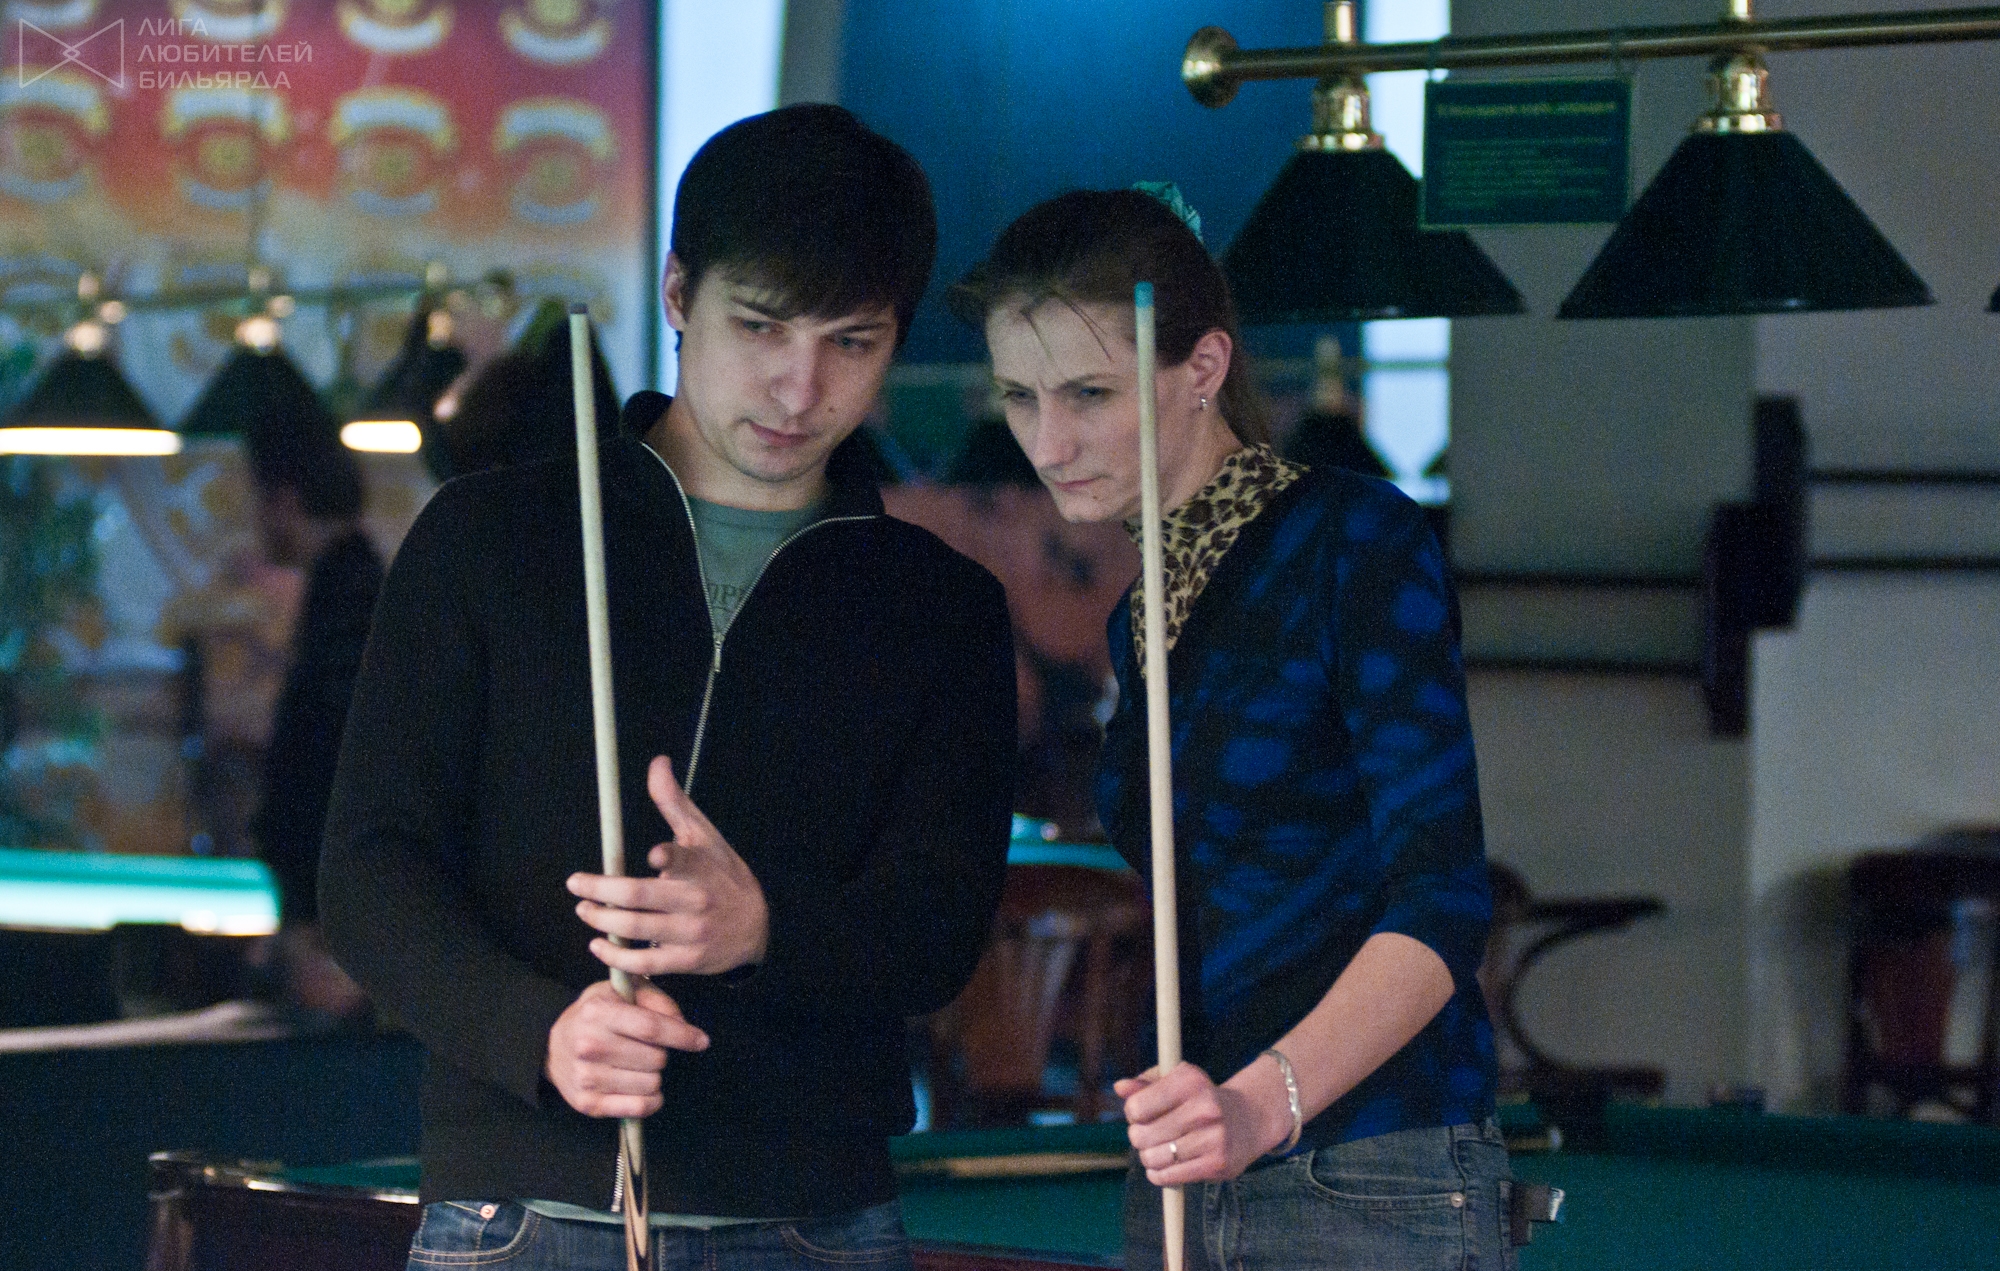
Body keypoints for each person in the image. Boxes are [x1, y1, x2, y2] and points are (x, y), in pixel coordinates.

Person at [320, 104, 1017, 1271]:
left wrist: (765, 924)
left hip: (812, 1221)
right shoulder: (493, 539)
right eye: (760, 325)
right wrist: (536, 1030)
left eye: (851, 341)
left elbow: (939, 927)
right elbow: (368, 867)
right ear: (678, 292)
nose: (798, 386)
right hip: (523, 1215)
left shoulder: (936, 605)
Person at [949, 188, 1509, 1271]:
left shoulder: (1353, 538)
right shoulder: (1141, 613)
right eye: (1020, 396)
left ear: (1201, 367)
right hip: (1188, 1163)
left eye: (1088, 393)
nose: (1047, 441)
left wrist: (1259, 1104)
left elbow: (1442, 902)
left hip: (1374, 1170)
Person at [242, 386, 382, 1019]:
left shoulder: (348, 600)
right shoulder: (354, 586)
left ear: (285, 499)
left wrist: (305, 920)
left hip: (334, 924)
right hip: (337, 912)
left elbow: (326, 766)